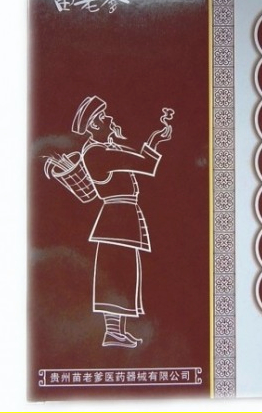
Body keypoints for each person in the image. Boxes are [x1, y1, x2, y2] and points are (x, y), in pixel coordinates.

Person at [71, 95, 173, 348]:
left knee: (124, 274)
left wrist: (153, 139)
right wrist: (155, 140)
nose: (111, 119)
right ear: (95, 125)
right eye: (104, 117)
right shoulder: (97, 153)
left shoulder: (105, 149)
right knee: (117, 273)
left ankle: (116, 332)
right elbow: (146, 164)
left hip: (121, 218)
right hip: (116, 220)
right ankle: (113, 332)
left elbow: (139, 161)